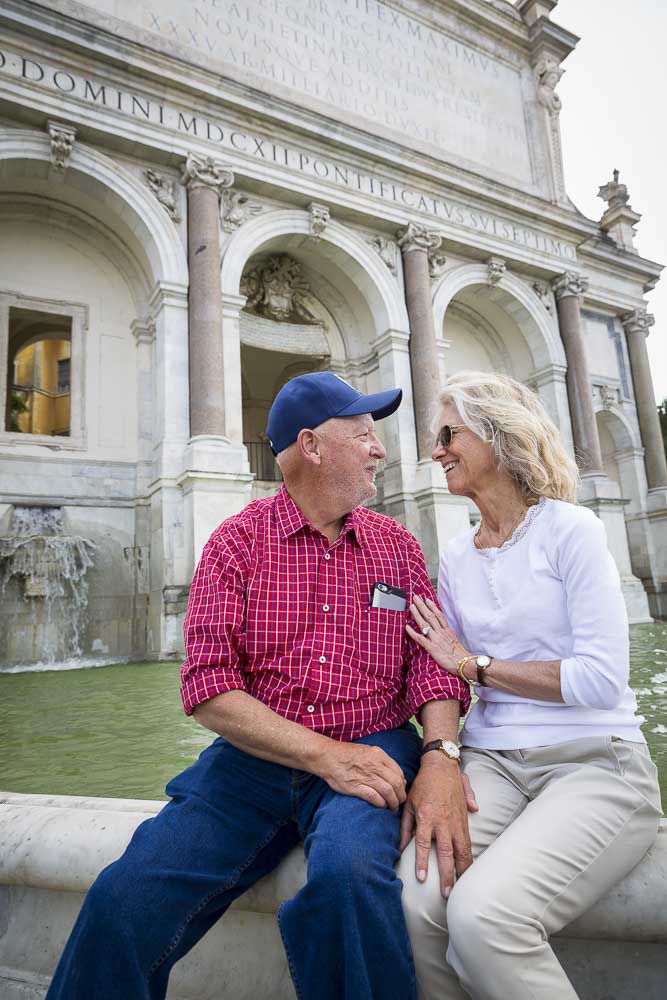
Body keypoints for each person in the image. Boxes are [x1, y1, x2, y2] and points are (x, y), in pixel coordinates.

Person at [46, 371, 475, 1000]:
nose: (380, 449)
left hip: (376, 745)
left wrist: (439, 754)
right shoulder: (233, 545)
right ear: (312, 445)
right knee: (122, 897)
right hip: (253, 762)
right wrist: (325, 756)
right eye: (363, 435)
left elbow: (432, 665)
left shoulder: (397, 546)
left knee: (349, 881)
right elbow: (209, 687)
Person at [398, 370, 662, 1000]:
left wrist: (475, 665)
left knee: (485, 917)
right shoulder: (456, 556)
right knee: (415, 905)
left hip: (597, 764)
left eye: (448, 434)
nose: (435, 450)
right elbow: (442, 663)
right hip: (495, 764)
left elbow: (600, 681)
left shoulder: (572, 530)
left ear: (497, 434)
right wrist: (442, 753)